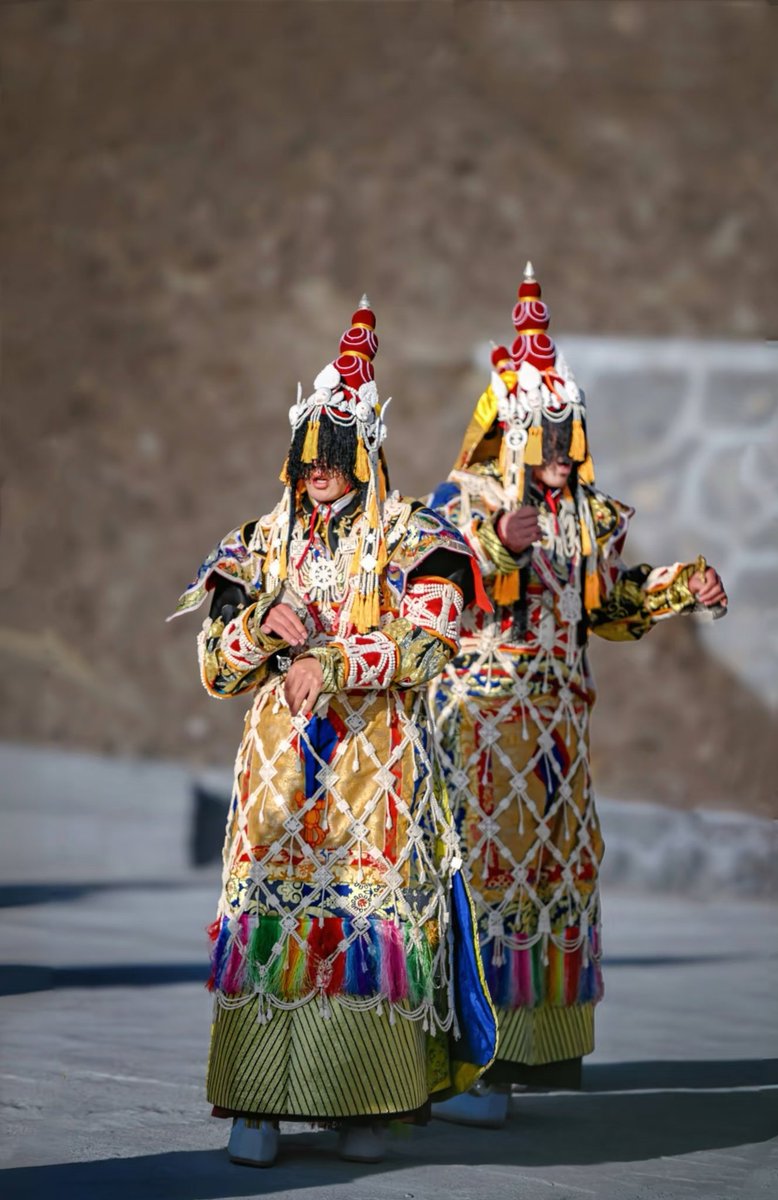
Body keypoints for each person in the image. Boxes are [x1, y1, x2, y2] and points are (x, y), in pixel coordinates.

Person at [171, 297, 496, 1166]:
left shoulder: (413, 537)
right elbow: (214, 669)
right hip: (279, 775)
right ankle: (256, 1106)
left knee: (364, 933)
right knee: (271, 928)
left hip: (374, 771)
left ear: (367, 452)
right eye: (309, 454)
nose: (319, 470)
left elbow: (428, 644)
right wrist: (255, 634)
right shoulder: (258, 544)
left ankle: (363, 1104)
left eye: (337, 454)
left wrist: (335, 661)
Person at [428, 264, 727, 1127]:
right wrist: (500, 548)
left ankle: (518, 1053)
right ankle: (462, 1060)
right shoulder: (465, 500)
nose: (558, 456)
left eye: (567, 439)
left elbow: (607, 606)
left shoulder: (587, 516)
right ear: (508, 433)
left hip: (557, 734)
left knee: (544, 885)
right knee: (479, 884)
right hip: (480, 729)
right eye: (543, 440)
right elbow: (441, 580)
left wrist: (678, 587)